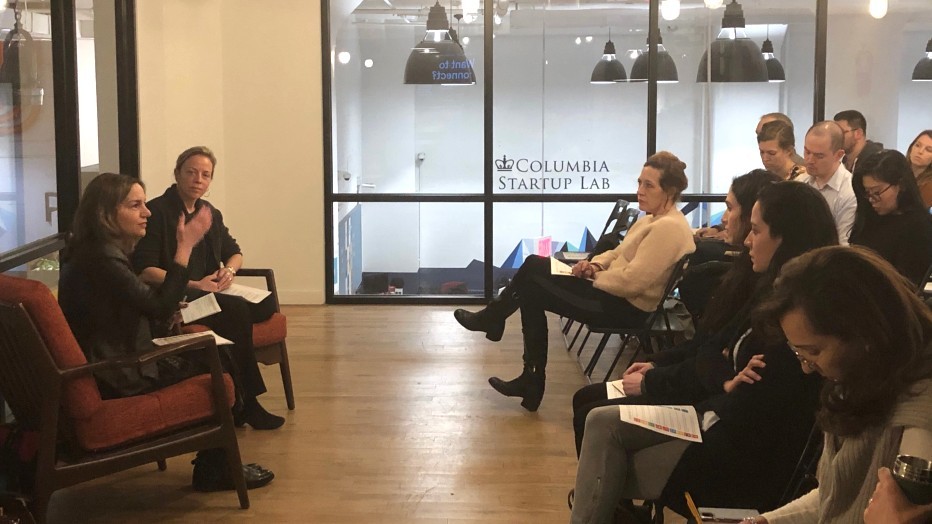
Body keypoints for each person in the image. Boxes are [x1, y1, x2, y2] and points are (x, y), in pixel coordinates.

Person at [568, 182, 839, 523]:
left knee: (602, 448)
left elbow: (753, 404)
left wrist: (712, 386)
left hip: (736, 453)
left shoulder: (797, 315)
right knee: (597, 420)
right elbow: (712, 350)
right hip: (715, 419)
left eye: (755, 230)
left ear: (786, 237)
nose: (744, 240)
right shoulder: (765, 288)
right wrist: (722, 382)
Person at [58, 172, 274, 492]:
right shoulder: (103, 259)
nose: (146, 212)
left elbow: (141, 307)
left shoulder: (91, 252)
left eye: (144, 203)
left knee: (212, 344)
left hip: (112, 358)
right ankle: (216, 468)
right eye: (136, 205)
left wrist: (166, 312)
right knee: (215, 356)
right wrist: (184, 246)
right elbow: (157, 306)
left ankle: (218, 460)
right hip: (120, 371)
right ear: (106, 213)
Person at [454, 152, 696, 412]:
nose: (640, 190)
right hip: (611, 295)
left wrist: (594, 276)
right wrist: (594, 264)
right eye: (639, 182)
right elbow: (617, 253)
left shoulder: (668, 228)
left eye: (648, 185)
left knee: (534, 269)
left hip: (624, 308)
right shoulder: (652, 219)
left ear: (669, 191)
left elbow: (631, 282)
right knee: (532, 285)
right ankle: (526, 372)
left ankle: (502, 331)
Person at [571, 169, 781, 453]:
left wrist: (653, 380)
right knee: (586, 400)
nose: (723, 219)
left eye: (731, 208)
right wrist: (656, 364)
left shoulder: (759, 287)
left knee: (591, 412)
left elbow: (712, 363)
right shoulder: (744, 272)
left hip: (700, 404)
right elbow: (706, 349)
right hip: (691, 384)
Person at [746, 246, 932, 523]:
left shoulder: (920, 421)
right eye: (799, 352)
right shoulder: (859, 381)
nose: (805, 367)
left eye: (813, 352)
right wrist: (767, 521)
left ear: (866, 334)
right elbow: (835, 497)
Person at [132, 146, 284, 430]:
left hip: (210, 291)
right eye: (191, 172)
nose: (198, 179)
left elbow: (235, 252)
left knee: (264, 304)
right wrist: (194, 284)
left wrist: (229, 271)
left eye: (205, 174)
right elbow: (145, 270)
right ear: (177, 174)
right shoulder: (158, 212)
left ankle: (236, 387)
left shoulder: (208, 212)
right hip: (178, 297)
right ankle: (247, 401)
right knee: (236, 311)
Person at [850, 149, 932, 285]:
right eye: (867, 192)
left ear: (901, 185)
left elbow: (908, 284)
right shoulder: (869, 215)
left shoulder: (919, 226)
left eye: (876, 192)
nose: (871, 199)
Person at [797, 121, 857, 245]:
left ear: (838, 155)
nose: (809, 160)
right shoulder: (800, 182)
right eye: (807, 152)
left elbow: (842, 246)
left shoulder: (850, 192)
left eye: (819, 156)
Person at [906, 129, 932, 208]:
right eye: (917, 145)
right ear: (911, 148)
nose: (920, 151)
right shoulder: (897, 171)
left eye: (928, 150)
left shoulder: (929, 186)